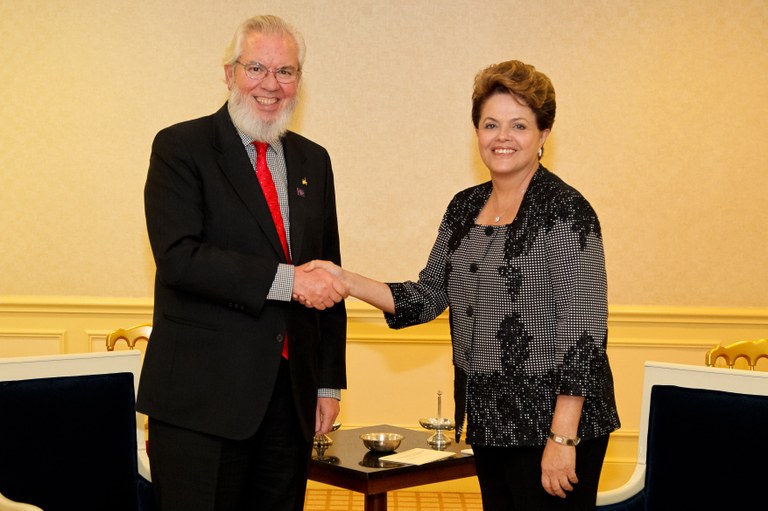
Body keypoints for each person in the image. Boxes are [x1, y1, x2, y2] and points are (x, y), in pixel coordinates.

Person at [303, 60, 620, 510]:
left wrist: (562, 437)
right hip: (488, 419)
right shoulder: (464, 207)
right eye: (491, 124)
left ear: (544, 133)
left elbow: (584, 332)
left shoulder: (566, 210)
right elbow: (427, 297)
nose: (502, 137)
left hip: (556, 425)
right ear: (477, 131)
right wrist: (345, 279)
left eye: (519, 125)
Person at [137, 15, 348, 511]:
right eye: (257, 68)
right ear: (229, 73)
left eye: (286, 72)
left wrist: (327, 381)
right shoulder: (180, 147)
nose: (271, 85)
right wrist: (287, 280)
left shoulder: (313, 161)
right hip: (200, 403)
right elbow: (179, 258)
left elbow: (328, 272)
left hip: (289, 403)